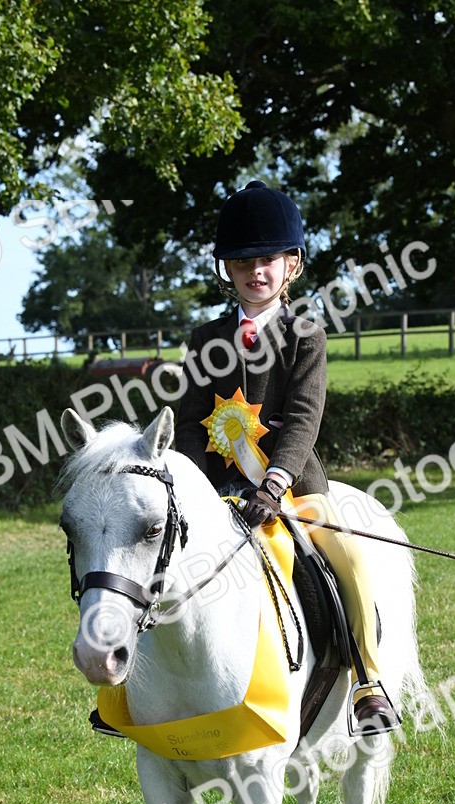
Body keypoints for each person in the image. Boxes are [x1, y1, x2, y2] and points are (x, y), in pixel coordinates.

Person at [175, 180, 399, 734]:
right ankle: (137, 690)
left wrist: (274, 483)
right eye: (243, 261)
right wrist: (194, 491)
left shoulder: (306, 334)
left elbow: (303, 417)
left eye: (268, 259)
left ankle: (368, 683)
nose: (256, 271)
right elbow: (187, 423)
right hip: (215, 491)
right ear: (226, 269)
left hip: (293, 488)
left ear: (291, 264)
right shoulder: (204, 340)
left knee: (349, 559)